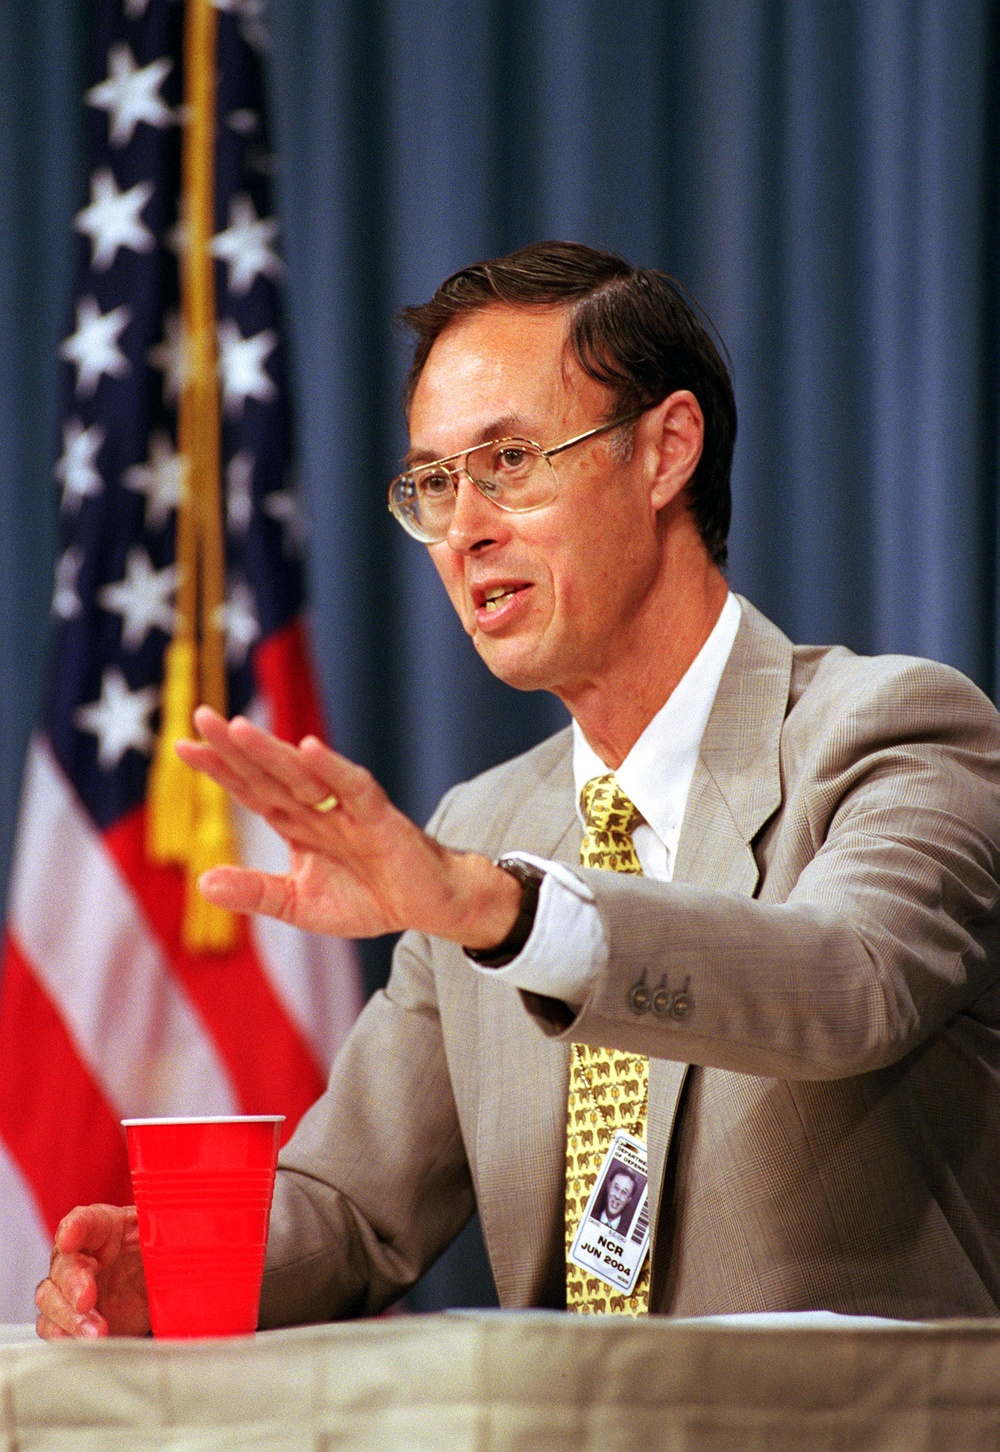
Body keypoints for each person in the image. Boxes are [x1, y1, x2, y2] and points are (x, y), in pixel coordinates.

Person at [36, 241, 1000, 1339]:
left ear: (664, 451)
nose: (464, 528)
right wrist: (169, 1272)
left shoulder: (895, 732)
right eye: (435, 483)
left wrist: (509, 914)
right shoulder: (485, 826)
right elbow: (352, 1213)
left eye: (509, 462)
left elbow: (850, 983)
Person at [592, 1167, 641, 1235]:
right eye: (616, 1188)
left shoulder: (628, 1234)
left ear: (629, 1198)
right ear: (608, 1186)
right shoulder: (588, 1216)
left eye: (624, 1192)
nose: (617, 1196)